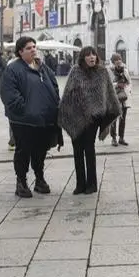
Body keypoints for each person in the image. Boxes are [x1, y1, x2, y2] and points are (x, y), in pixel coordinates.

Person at [0, 36, 62, 198]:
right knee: (23, 151)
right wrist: (25, 110)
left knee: (40, 151)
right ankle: (21, 182)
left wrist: (53, 104)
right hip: (23, 120)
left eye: (34, 46)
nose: (33, 49)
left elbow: (54, 86)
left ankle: (39, 179)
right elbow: (9, 95)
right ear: (20, 52)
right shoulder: (13, 69)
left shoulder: (43, 67)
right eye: (28, 48)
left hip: (44, 118)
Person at [59, 46, 121, 195]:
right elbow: (68, 93)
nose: (92, 57)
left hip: (93, 119)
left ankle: (92, 184)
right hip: (76, 116)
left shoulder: (102, 72)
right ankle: (80, 184)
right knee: (77, 150)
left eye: (94, 54)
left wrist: (105, 112)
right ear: (83, 57)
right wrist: (67, 111)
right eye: (88, 55)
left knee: (89, 149)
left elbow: (109, 95)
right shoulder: (75, 71)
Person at [109, 53, 132, 146]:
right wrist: (117, 85)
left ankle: (121, 138)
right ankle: (113, 138)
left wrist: (127, 88)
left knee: (123, 119)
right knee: (113, 119)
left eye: (120, 59)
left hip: (124, 97)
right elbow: (108, 84)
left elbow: (130, 82)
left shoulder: (125, 70)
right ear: (113, 61)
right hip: (114, 97)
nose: (118, 61)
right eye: (116, 59)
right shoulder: (110, 71)